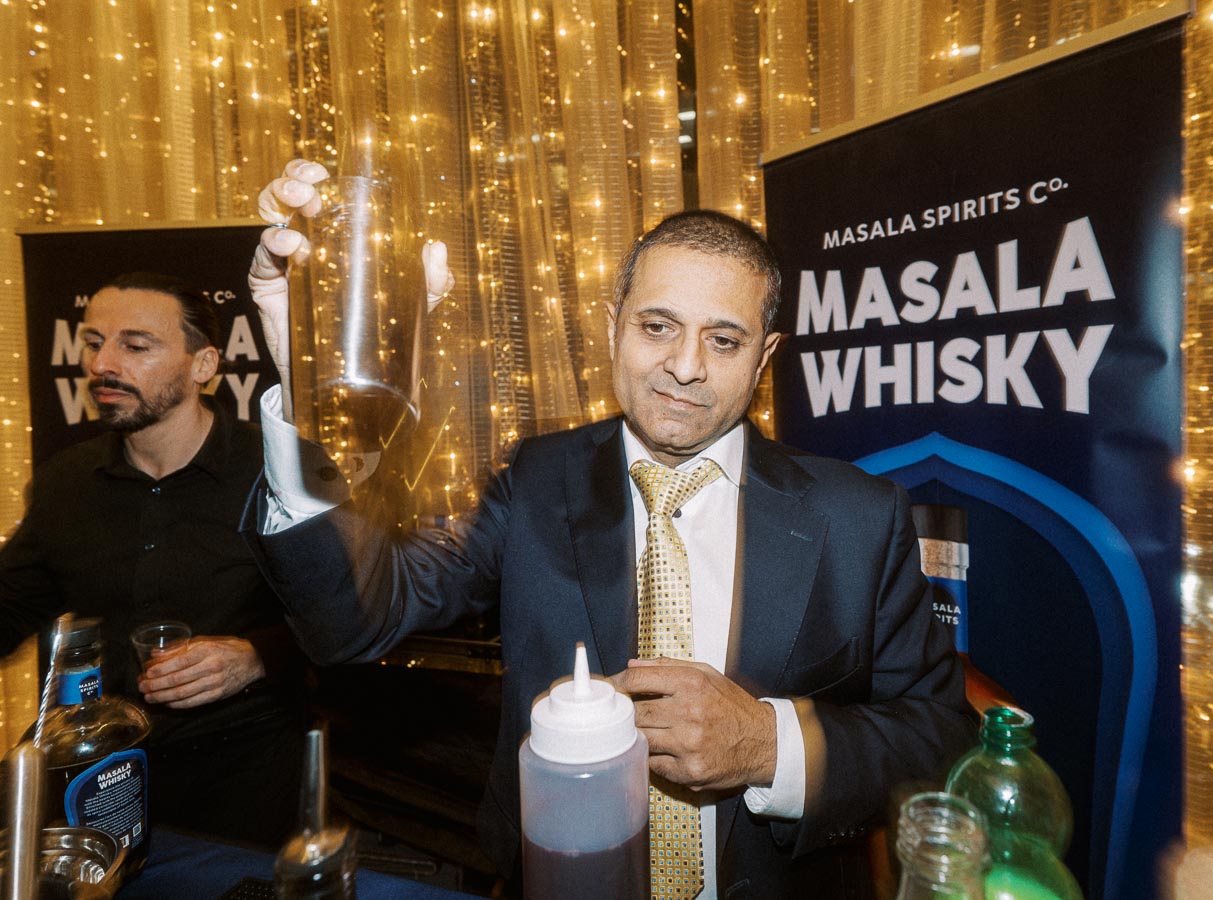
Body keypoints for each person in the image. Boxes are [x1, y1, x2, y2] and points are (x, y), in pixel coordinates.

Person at [244, 161, 976, 898]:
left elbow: (942, 737)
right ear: (612, 324)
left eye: (724, 341)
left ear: (766, 356)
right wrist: (308, 388)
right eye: (657, 327)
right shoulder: (529, 480)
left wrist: (767, 745)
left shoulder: (858, 515)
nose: (684, 367)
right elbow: (351, 623)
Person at [0, 271, 305, 847]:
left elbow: (351, 619)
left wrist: (258, 655)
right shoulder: (67, 481)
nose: (101, 365)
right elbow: (11, 605)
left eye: (135, 346)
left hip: (239, 772)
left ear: (203, 365)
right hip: (98, 774)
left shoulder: (279, 472)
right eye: (93, 343)